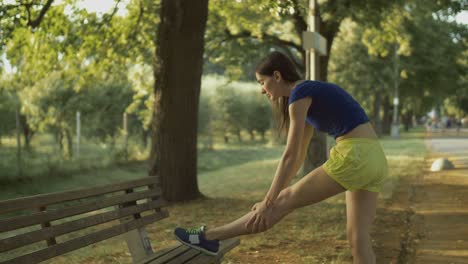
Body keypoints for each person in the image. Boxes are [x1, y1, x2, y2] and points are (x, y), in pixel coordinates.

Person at [174, 51, 388, 264]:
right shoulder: (309, 94)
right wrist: (272, 197)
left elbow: (290, 155)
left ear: (277, 76)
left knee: (282, 201)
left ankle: (208, 237)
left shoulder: (300, 93)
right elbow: (298, 157)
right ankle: (210, 237)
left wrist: (269, 201)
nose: (261, 90)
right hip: (375, 159)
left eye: (262, 82)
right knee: (358, 238)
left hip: (355, 156)